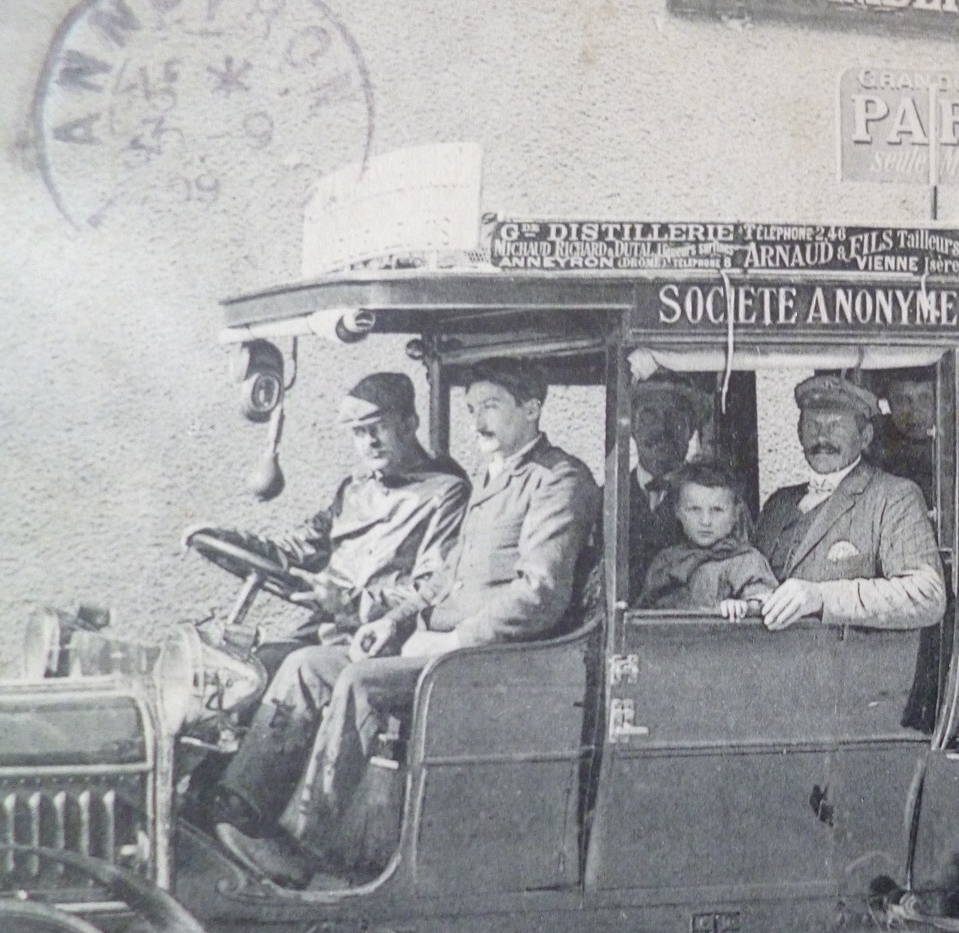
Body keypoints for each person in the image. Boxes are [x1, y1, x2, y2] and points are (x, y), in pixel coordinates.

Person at [215, 360, 600, 887]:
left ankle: (302, 848)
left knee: (360, 684)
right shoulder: (494, 474)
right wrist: (395, 622)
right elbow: (446, 577)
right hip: (436, 646)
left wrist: (452, 639)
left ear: (532, 409)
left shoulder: (559, 479)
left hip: (493, 660)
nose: (477, 423)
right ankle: (243, 816)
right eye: (471, 410)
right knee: (311, 667)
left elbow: (540, 594)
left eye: (491, 407)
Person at [205, 373, 468, 835]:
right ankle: (203, 802)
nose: (368, 442)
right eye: (358, 433)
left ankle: (245, 817)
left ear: (409, 423)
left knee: (303, 670)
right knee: (248, 666)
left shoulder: (446, 492)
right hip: (331, 632)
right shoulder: (354, 489)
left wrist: (348, 602)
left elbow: (431, 587)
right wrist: (221, 539)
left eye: (377, 428)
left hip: (385, 640)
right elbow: (296, 548)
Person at [753, 375, 945, 632]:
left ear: (865, 437)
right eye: (813, 425)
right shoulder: (778, 504)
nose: (822, 437)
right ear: (799, 434)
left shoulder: (895, 497)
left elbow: (926, 594)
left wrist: (822, 596)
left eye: (835, 425)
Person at [638, 460, 777, 619]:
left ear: (735, 514)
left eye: (717, 510)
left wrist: (744, 606)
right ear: (678, 512)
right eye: (694, 509)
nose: (705, 521)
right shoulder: (666, 561)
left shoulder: (747, 561)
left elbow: (765, 602)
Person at [627, 375, 708, 591]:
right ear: (631, 427)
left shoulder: (717, 501)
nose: (662, 429)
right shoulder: (604, 501)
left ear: (692, 429)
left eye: (675, 416)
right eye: (649, 416)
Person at [869, 370, 937, 506]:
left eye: (925, 398)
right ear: (889, 403)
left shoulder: (957, 440)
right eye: (901, 400)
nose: (914, 411)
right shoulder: (874, 441)